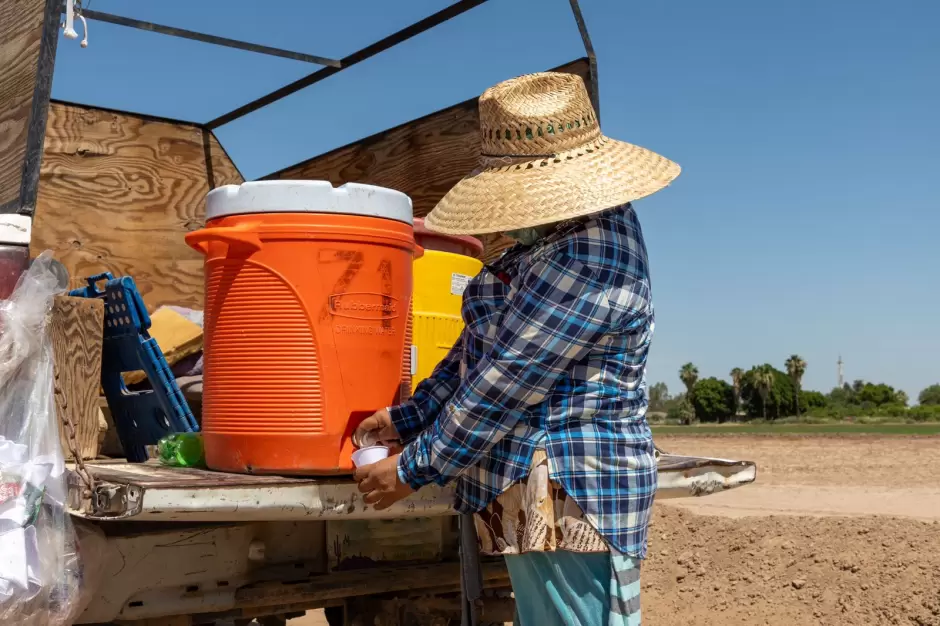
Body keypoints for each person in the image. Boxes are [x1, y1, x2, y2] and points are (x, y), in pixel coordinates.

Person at [353, 71, 680, 626]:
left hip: (571, 489)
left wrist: (414, 465)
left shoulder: (586, 253)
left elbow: (506, 379)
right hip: (547, 494)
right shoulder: (557, 243)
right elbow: (477, 351)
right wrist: (408, 417)